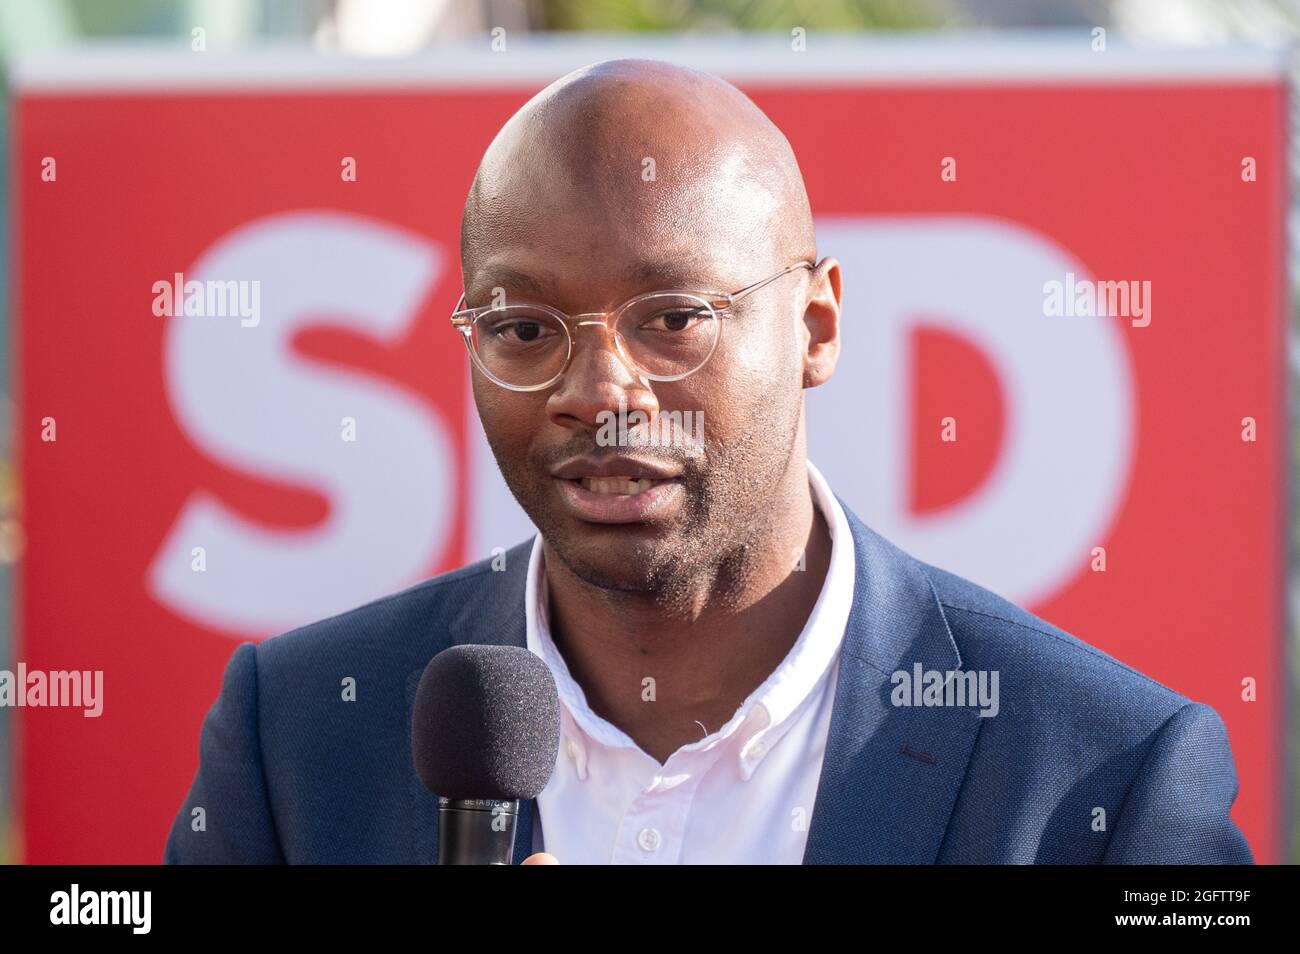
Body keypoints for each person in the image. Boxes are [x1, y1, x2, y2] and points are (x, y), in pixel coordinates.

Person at [165, 58, 1252, 865]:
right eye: (525, 328)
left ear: (816, 327)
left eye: (672, 317)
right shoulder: (297, 735)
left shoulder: (1104, 775)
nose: (598, 392)